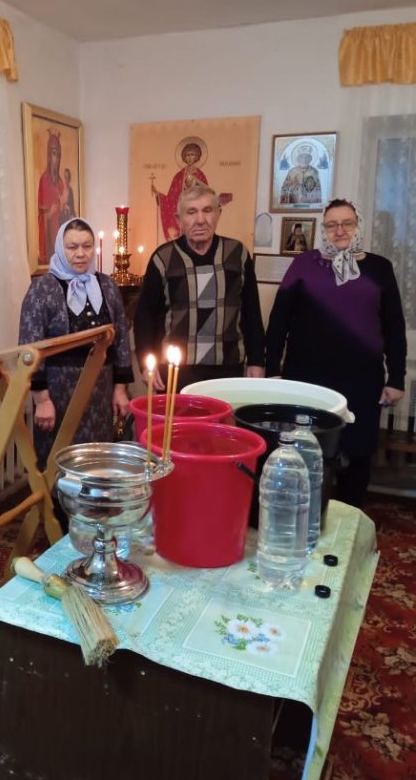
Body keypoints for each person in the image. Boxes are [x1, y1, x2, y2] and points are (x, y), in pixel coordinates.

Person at [266, 199, 407, 508]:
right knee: (305, 450)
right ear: (323, 230)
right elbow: (279, 321)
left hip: (362, 380)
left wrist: (397, 377)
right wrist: (272, 370)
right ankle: (307, 517)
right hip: (306, 379)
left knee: (357, 454)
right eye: (331, 225)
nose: (339, 231)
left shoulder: (379, 268)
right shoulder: (304, 264)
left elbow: (394, 326)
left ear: (358, 226)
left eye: (347, 224)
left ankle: (349, 516)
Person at [19, 218, 133, 479]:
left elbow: (121, 340)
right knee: (60, 462)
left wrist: (120, 389)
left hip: (100, 392)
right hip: (59, 394)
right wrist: (41, 400)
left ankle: (96, 503)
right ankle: (57, 506)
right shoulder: (42, 289)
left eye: (87, 246)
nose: (80, 254)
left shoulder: (107, 286)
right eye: (72, 247)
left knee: (98, 461)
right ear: (60, 248)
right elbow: (29, 346)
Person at [134, 184, 265, 393]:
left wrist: (257, 360)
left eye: (207, 210)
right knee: (176, 417)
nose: (200, 220)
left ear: (218, 214)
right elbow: (145, 315)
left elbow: (252, 312)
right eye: (191, 212)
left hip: (228, 367)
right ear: (179, 220)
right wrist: (145, 363)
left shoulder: (237, 254)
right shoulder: (163, 258)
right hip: (175, 370)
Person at [151, 140, 232, 241]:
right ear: (184, 157)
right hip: (183, 214)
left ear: (197, 157)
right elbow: (171, 198)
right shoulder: (179, 176)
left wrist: (192, 186)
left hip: (197, 214)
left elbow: (206, 196)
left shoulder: (200, 175)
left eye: (192, 155)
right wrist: (159, 196)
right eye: (187, 155)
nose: (189, 157)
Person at [37, 130, 65, 264]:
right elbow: (41, 215)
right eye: (54, 154)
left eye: (58, 155)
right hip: (49, 235)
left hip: (59, 231)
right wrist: (49, 214)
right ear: (49, 156)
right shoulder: (44, 180)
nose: (56, 158)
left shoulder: (60, 182)